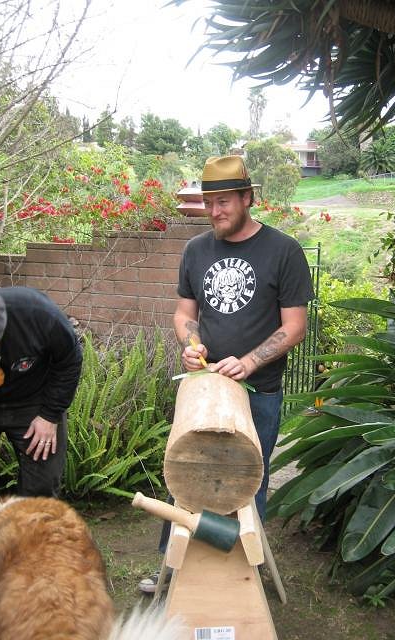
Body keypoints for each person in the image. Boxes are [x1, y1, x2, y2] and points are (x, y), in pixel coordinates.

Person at [139, 155, 314, 593]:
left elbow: (295, 326)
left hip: (258, 391)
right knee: (186, 474)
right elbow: (184, 314)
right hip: (204, 388)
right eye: (208, 203)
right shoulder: (196, 250)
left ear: (247, 198)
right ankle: (175, 571)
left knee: (247, 481)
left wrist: (250, 361)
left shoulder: (284, 251)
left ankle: (242, 576)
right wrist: (191, 344)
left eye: (224, 202)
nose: (214, 211)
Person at [0, 286, 83, 497]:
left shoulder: (40, 315)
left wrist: (49, 415)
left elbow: (69, 361)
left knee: (41, 487)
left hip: (35, 400)